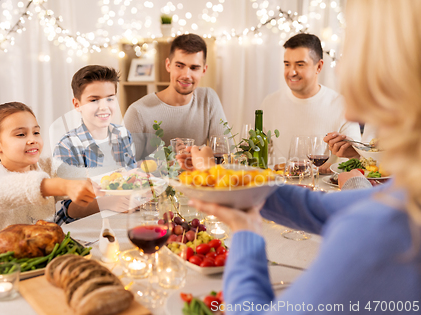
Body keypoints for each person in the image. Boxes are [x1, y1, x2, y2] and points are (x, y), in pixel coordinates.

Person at [179, 0, 421, 312]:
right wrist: (223, 176)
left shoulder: (380, 232)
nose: (349, 110)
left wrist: (245, 233)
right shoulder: (403, 196)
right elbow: (317, 208)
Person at [0, 102, 103, 243]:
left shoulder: (47, 166)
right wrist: (63, 185)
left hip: (39, 250)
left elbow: (83, 175)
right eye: (21, 134)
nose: (32, 140)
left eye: (36, 132)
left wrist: (118, 178)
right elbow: (4, 189)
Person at [259, 33, 361, 165]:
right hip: (280, 183)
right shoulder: (270, 103)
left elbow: (356, 160)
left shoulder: (342, 105)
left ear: (318, 66)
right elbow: (258, 157)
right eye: (287, 64)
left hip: (324, 184)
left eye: (300, 65)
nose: (292, 72)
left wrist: (333, 166)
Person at [123, 33, 228, 161]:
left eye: (194, 68)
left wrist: (195, 154)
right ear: (168, 65)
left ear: (204, 71)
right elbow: (125, 167)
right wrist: (168, 158)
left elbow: (226, 154)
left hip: (197, 180)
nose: (186, 75)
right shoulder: (137, 112)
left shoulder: (208, 98)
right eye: (179, 66)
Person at [53, 65, 139, 220]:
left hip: (122, 219)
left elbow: (131, 180)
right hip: (83, 229)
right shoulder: (68, 146)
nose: (104, 106)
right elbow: (70, 210)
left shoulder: (123, 135)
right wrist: (107, 203)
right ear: (77, 104)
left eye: (110, 98)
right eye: (94, 100)